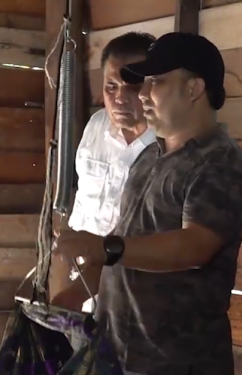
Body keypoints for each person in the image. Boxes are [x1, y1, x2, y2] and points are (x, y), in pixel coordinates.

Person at [54, 32, 242, 375]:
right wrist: (73, 296)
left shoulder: (221, 163)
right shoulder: (149, 158)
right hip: (120, 345)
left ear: (194, 88)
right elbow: (122, 246)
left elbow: (195, 246)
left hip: (173, 357)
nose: (142, 94)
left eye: (156, 83)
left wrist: (106, 248)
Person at [52, 31, 157, 314]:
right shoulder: (96, 126)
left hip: (134, 291)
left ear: (152, 85)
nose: (120, 98)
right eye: (111, 86)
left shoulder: (164, 148)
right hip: (81, 285)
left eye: (133, 87)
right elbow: (84, 198)